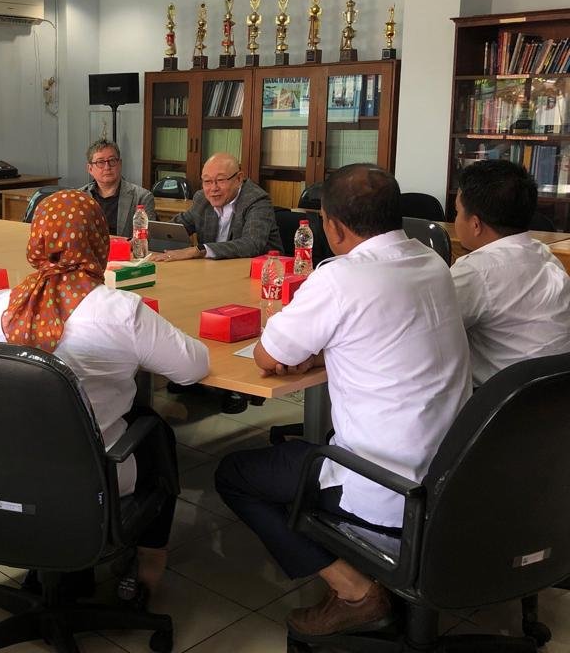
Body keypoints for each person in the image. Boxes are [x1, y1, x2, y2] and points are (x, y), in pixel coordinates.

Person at [215, 164, 471, 639]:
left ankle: (356, 592)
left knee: (234, 475)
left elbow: (268, 355)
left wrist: (305, 350)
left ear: (333, 226)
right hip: (453, 478)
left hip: (387, 489)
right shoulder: (433, 262)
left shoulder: (341, 277)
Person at [0, 189, 209, 595]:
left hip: (9, 466)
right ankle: (148, 567)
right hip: (91, 474)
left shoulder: (4, 306)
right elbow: (193, 368)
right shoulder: (119, 310)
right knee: (155, 432)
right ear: (97, 238)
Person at [451, 159, 570, 387]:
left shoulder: (476, 271)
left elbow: (427, 332)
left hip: (500, 399)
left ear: (475, 224)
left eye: (456, 212)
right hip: (556, 396)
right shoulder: (545, 255)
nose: (455, 219)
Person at [154, 152, 281, 261]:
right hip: (212, 268)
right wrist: (147, 234)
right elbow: (178, 227)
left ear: (239, 179)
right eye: (207, 181)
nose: (213, 188)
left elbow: (251, 244)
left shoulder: (257, 200)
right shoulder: (202, 199)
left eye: (220, 180)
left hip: (257, 271)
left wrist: (199, 250)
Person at [79, 140, 156, 238]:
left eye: (112, 161)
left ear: (120, 164)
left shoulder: (142, 197)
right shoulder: (79, 197)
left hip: (127, 248)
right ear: (90, 169)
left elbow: (146, 238)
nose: (107, 167)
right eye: (100, 162)